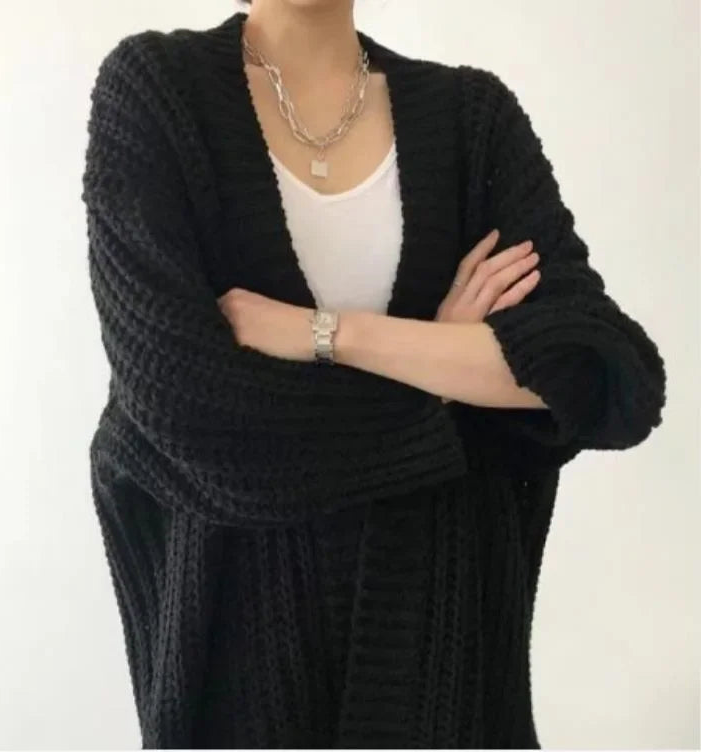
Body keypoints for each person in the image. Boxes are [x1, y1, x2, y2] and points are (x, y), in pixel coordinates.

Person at [82, 1, 667, 748]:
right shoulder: (157, 92)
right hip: (239, 673)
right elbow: (194, 421)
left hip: (447, 663)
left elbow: (601, 378)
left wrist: (328, 335)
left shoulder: (471, 119)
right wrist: (444, 372)